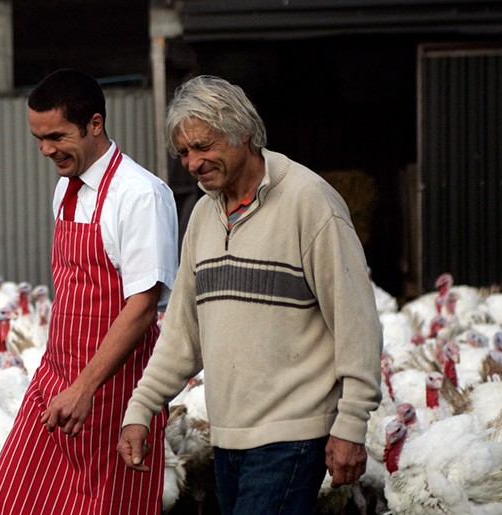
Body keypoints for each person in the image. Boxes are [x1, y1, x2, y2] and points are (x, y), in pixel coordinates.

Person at [117, 75, 383, 514]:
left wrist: (351, 424)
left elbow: (356, 320)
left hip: (291, 435)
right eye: (183, 152)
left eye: (204, 146)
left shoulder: (310, 201)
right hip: (227, 437)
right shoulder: (203, 215)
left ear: (243, 131)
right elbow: (183, 332)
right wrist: (141, 408)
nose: (193, 163)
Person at [0, 69, 179, 514]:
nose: (46, 150)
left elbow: (142, 309)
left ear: (95, 124)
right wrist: (63, 382)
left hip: (116, 393)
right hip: (55, 380)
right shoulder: (65, 189)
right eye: (38, 139)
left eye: (57, 137)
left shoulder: (141, 195)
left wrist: (85, 387)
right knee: (6, 504)